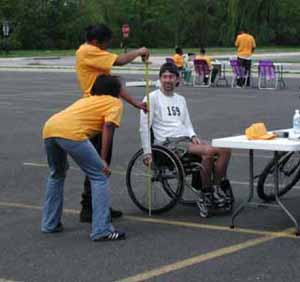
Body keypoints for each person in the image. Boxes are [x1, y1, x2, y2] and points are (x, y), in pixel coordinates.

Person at [76, 23, 150, 223]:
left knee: (102, 159)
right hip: (95, 110)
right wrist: (140, 51)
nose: (107, 48)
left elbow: (113, 85)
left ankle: (95, 205)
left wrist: (136, 103)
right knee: (100, 161)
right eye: (105, 44)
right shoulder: (88, 51)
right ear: (95, 42)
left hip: (101, 106)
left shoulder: (95, 56)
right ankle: (91, 208)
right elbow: (120, 60)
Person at [139, 63, 233, 216]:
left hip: (185, 140)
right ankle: (206, 194)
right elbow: (144, 126)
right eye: (165, 77)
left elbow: (187, 123)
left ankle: (214, 189)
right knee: (208, 152)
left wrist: (193, 136)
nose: (168, 80)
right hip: (168, 143)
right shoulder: (152, 98)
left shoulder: (180, 99)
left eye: (171, 77)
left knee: (225, 150)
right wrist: (147, 152)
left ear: (177, 79)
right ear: (160, 78)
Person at [41, 75, 126, 241]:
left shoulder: (88, 99)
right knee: (100, 175)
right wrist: (103, 159)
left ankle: (50, 224)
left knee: (57, 174)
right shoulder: (114, 102)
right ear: (115, 91)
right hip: (71, 132)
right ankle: (102, 230)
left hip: (50, 128)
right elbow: (108, 127)